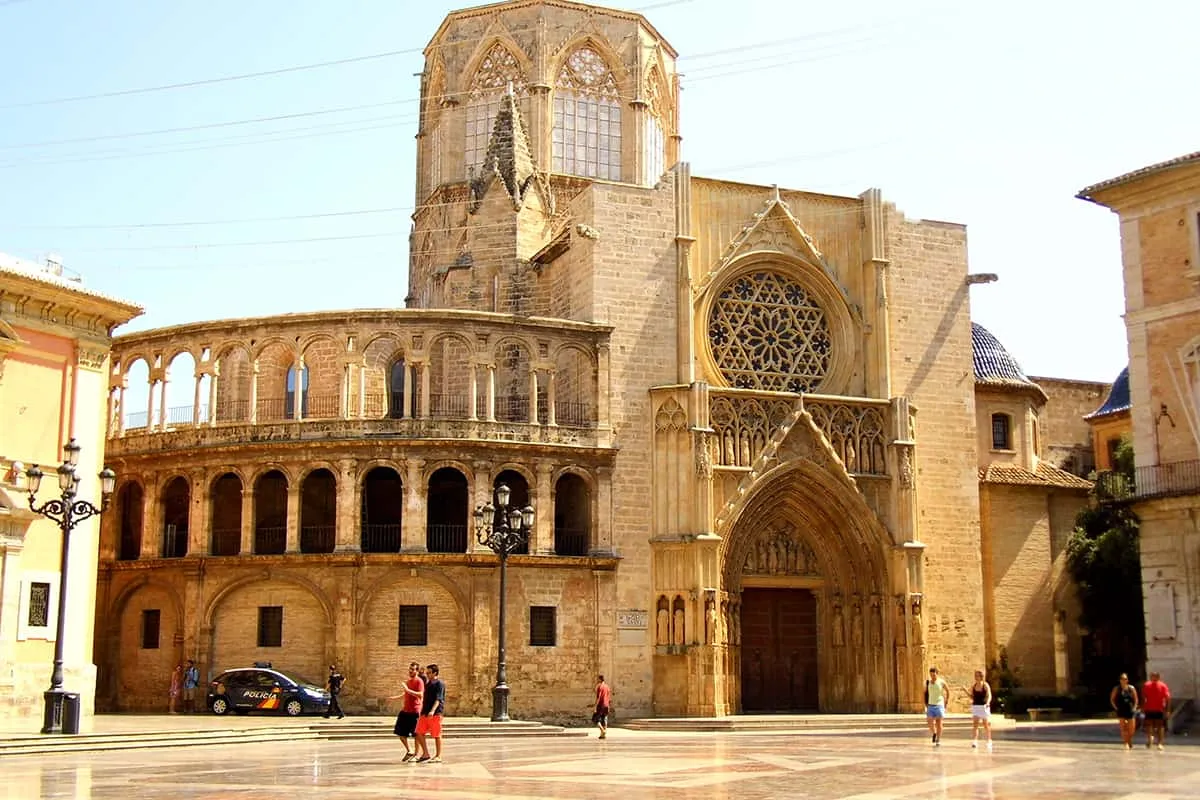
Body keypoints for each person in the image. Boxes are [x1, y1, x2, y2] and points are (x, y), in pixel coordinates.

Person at [388, 662, 424, 763]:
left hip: (415, 711)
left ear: (417, 671)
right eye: (410, 669)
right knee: (400, 733)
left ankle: (416, 754)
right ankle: (410, 751)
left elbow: (420, 695)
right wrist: (395, 698)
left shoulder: (419, 681)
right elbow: (406, 694)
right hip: (405, 711)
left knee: (416, 734)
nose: (410, 671)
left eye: (413, 669)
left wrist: (407, 690)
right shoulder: (408, 681)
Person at [415, 664, 445, 764]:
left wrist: (432, 710)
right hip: (424, 713)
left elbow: (438, 699)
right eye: (426, 673)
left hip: (435, 713)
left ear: (435, 673)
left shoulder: (439, 684)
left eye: (429, 673)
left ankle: (438, 756)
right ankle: (426, 754)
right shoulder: (427, 684)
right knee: (419, 732)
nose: (427, 674)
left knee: (437, 734)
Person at [1141, 671, 1171, 750]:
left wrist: (1168, 710)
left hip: (1159, 709)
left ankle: (1160, 743)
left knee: (1160, 726)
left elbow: (1168, 698)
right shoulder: (1146, 685)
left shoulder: (1163, 686)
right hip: (1149, 708)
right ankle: (1149, 739)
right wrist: (1142, 707)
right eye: (1152, 676)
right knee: (1148, 725)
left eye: (1155, 676)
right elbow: (1143, 697)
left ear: (1158, 677)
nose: (1153, 678)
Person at [1110, 673, 1139, 750]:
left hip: (1130, 710)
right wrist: (1116, 708)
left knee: (1132, 729)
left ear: (1127, 680)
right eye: (1122, 679)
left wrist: (1135, 707)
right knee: (1123, 728)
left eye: (1125, 679)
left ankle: (1129, 740)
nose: (1124, 680)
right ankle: (1126, 743)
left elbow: (1136, 699)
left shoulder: (1131, 688)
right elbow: (1112, 699)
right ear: (1120, 680)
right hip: (1121, 710)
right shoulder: (1116, 688)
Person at [968, 670, 993, 751]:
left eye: (977, 675)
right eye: (975, 675)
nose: (975, 677)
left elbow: (989, 695)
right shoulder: (974, 686)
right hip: (976, 706)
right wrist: (965, 691)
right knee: (975, 724)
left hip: (984, 706)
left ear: (981, 676)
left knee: (986, 724)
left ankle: (989, 740)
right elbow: (972, 697)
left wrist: (988, 702)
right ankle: (975, 741)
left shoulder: (985, 685)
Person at [924, 666, 949, 746]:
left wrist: (946, 701)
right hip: (930, 705)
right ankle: (934, 733)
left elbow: (947, 691)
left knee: (939, 723)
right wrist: (925, 703)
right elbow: (924, 693)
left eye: (934, 674)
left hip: (939, 705)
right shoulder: (928, 682)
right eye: (931, 675)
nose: (932, 676)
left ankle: (938, 739)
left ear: (937, 674)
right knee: (929, 721)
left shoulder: (941, 682)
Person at [593, 675, 612, 739]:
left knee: (595, 719)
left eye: (598, 679)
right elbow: (609, 697)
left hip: (601, 705)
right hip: (606, 705)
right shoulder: (607, 687)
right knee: (604, 719)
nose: (597, 680)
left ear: (600, 679)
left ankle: (602, 730)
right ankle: (603, 735)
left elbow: (598, 697)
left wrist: (595, 706)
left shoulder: (600, 687)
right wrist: (609, 705)